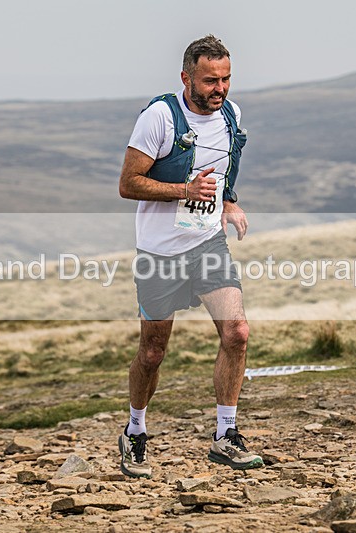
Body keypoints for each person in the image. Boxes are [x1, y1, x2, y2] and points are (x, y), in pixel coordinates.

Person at [116, 34, 263, 478]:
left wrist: (229, 202)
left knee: (237, 332)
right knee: (154, 351)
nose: (220, 89)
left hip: (206, 245)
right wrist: (183, 190)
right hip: (160, 254)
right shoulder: (160, 117)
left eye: (226, 79)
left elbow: (221, 174)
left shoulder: (232, 116)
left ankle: (225, 434)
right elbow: (128, 183)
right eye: (209, 81)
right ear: (186, 78)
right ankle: (135, 431)